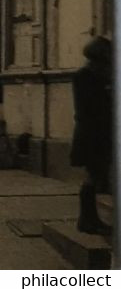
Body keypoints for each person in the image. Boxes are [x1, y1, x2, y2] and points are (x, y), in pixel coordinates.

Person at [71, 35, 113, 235]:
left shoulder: (98, 75)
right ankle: (87, 219)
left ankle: (90, 218)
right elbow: (88, 108)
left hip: (97, 133)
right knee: (92, 176)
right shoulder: (84, 75)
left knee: (95, 175)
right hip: (91, 134)